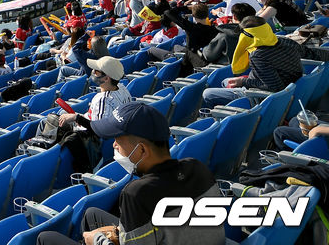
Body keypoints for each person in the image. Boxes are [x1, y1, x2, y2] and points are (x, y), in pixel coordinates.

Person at [39, 102, 224, 245]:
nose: (114, 145)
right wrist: (119, 232)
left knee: (46, 238)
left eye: (118, 140)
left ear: (142, 151)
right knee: (91, 214)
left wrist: (96, 239)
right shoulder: (196, 166)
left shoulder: (136, 193)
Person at [202, 16, 304, 108]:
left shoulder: (258, 55)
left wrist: (243, 81)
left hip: (261, 97)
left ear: (250, 35)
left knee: (208, 94)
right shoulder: (286, 41)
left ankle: (215, 119)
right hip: (290, 87)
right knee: (225, 81)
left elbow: (274, 87)